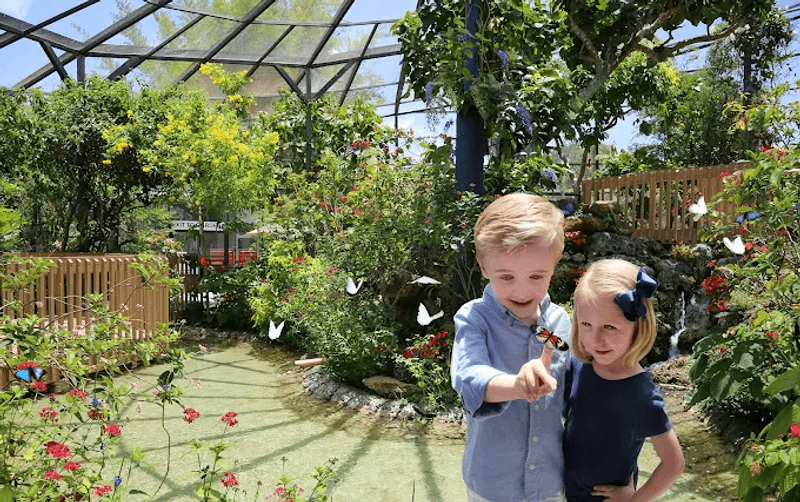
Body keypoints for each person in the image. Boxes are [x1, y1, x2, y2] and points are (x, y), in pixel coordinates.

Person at [452, 193, 572, 502]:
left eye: (536, 276)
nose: (521, 289)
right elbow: (469, 377)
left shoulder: (557, 323)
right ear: (483, 265)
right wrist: (517, 385)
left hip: (550, 482)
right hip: (493, 486)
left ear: (553, 266)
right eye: (507, 276)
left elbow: (577, 383)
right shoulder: (475, 319)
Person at [564, 259, 684, 502]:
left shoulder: (641, 394)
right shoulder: (578, 365)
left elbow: (674, 464)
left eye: (609, 327)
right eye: (586, 324)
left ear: (638, 327)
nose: (596, 339)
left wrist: (634, 500)